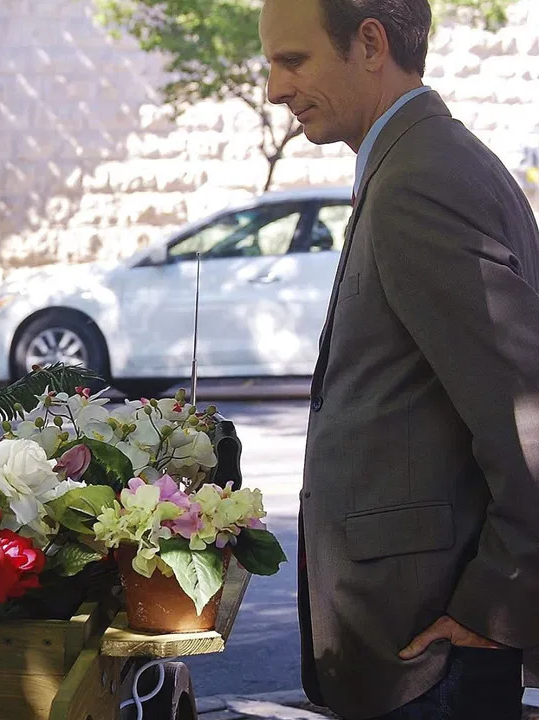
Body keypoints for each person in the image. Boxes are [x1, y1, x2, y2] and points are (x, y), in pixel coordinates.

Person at [259, 1, 539, 718]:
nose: (276, 89)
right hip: (420, 646)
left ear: (370, 43)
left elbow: (526, 416)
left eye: (293, 60)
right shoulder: (419, 159)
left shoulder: (423, 175)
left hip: (429, 656)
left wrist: (494, 607)